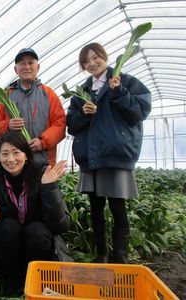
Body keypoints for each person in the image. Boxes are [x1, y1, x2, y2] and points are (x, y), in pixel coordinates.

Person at [66, 42, 151, 263]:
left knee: (117, 207)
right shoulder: (82, 91)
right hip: (91, 157)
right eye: (86, 61)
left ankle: (120, 257)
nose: (92, 63)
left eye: (96, 57)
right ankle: (101, 254)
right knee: (96, 208)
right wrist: (84, 114)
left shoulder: (125, 81)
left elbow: (139, 113)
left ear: (105, 57)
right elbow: (72, 126)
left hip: (115, 155)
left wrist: (119, 92)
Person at [0, 131, 70, 297]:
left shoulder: (42, 176)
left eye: (16, 152)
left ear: (26, 156)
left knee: (37, 231)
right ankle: (13, 278)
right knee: (7, 227)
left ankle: (34, 277)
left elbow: (61, 226)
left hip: (38, 245)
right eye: (4, 154)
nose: (10, 159)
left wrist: (48, 188)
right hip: (10, 250)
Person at [0, 48, 66, 167]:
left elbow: (60, 125)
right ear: (16, 69)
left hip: (43, 162)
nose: (27, 67)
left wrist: (42, 142)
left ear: (38, 67)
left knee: (44, 186)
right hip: (14, 163)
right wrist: (8, 125)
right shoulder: (6, 95)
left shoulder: (49, 94)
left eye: (31, 63)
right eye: (22, 63)